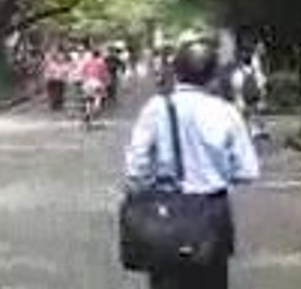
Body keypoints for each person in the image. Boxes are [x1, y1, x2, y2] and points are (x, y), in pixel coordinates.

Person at [125, 41, 260, 289]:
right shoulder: (226, 112)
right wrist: (217, 172)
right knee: (211, 280)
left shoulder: (156, 109)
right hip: (212, 212)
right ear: (213, 75)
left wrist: (145, 188)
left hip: (165, 210)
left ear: (175, 72)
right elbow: (247, 171)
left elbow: (135, 167)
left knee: (166, 279)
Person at [79, 49, 110, 126]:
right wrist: (106, 82)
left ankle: (88, 112)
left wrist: (83, 80)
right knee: (98, 97)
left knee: (88, 99)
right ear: (99, 55)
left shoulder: (87, 62)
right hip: (97, 82)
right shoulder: (101, 63)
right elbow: (104, 74)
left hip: (88, 82)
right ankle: (95, 111)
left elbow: (82, 72)